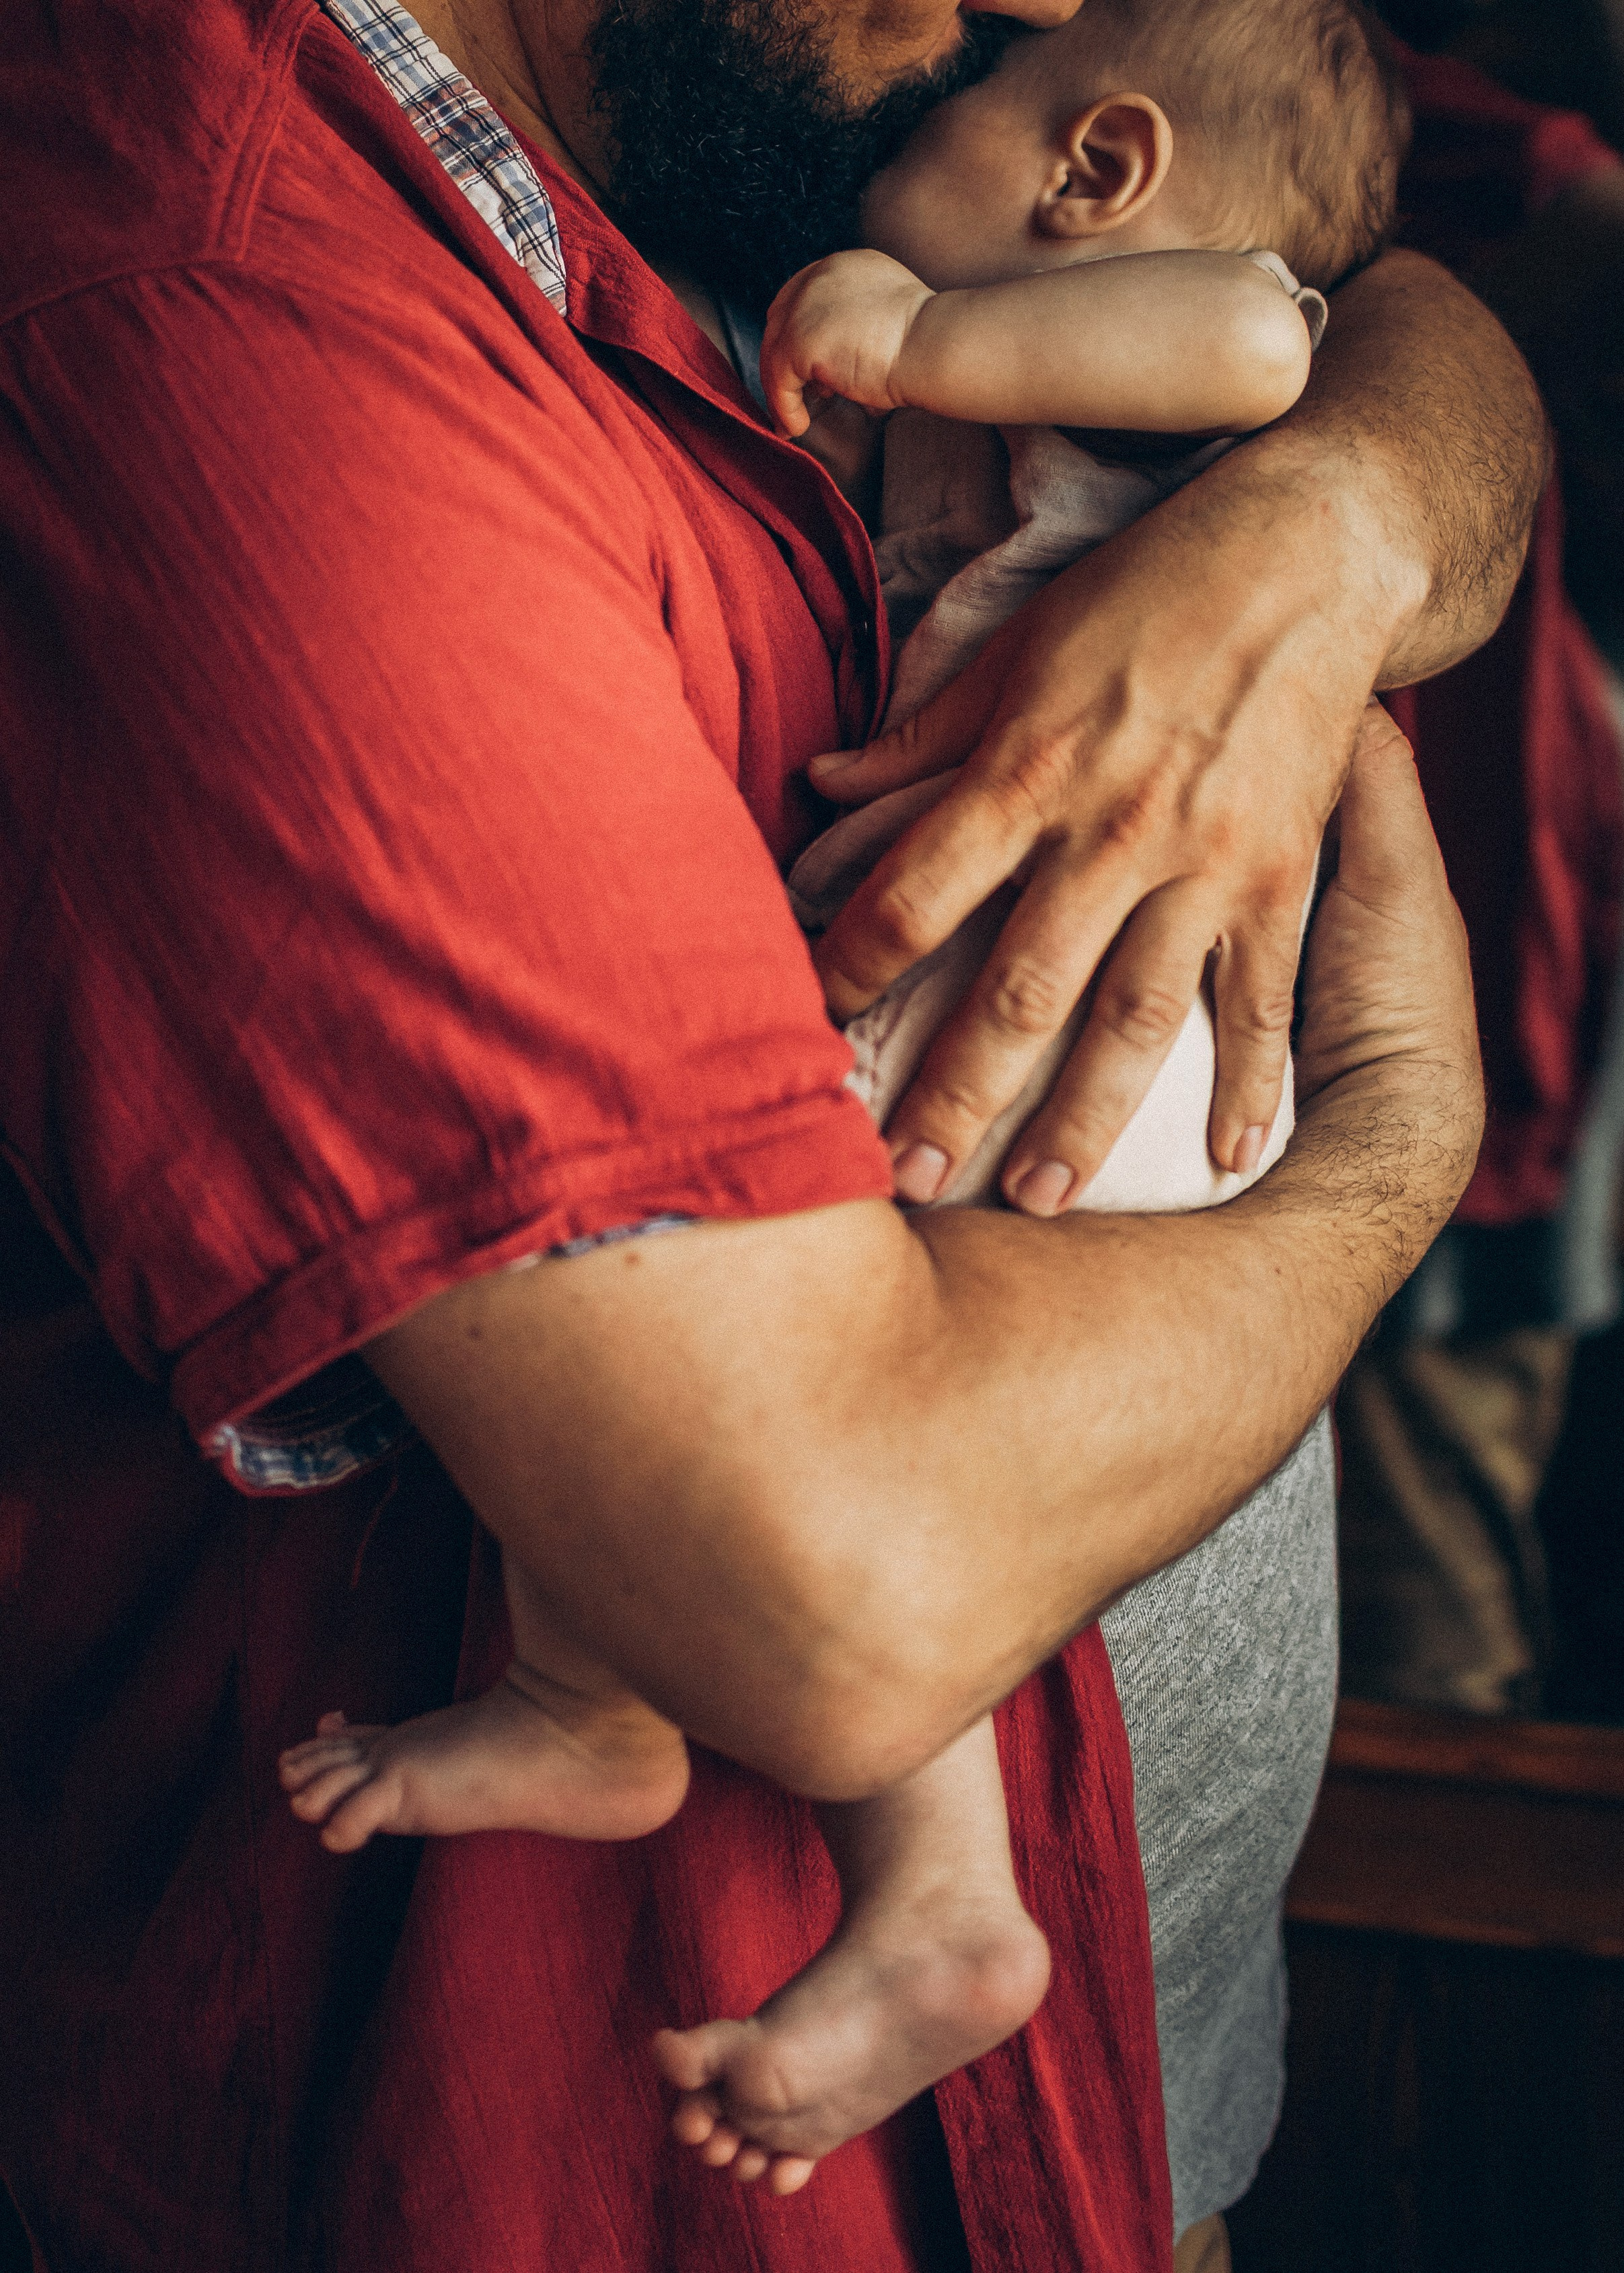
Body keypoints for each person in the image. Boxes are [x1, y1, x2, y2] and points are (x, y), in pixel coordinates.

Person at [0, 0, 1536, 2266]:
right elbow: (837, 1590)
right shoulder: (245, 310)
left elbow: (1408, 309)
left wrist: (1336, 527)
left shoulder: (744, 122)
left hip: (1131, 2105)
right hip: (644, 2168)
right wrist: (1386, 1165)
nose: (1023, 9)